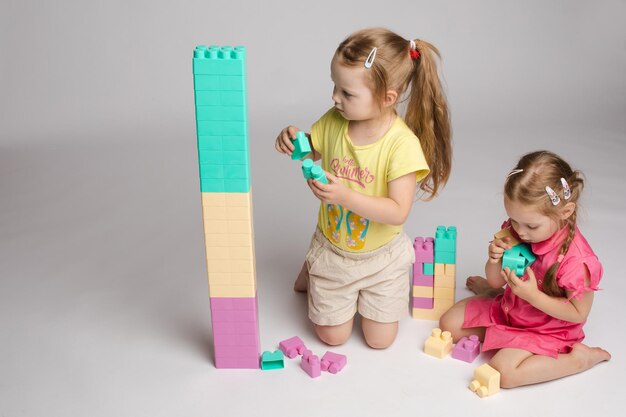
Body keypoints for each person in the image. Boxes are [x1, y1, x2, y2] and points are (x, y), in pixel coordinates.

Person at [275, 28, 452, 348]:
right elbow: (313, 151)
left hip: (381, 259)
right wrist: (294, 142)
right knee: (332, 337)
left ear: (388, 98)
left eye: (347, 93)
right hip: (334, 248)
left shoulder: (401, 146)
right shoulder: (333, 120)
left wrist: (346, 196)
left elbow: (398, 212)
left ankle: (318, 275)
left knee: (380, 341)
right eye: (335, 86)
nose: (334, 97)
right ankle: (315, 267)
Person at [440, 150, 611, 388]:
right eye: (513, 220)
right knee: (448, 323)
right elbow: (496, 282)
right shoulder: (518, 229)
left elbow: (578, 314)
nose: (520, 232)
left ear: (565, 212)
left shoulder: (576, 262)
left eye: (530, 225)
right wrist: (493, 260)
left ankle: (578, 360)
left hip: (547, 329)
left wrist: (532, 295)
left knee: (505, 373)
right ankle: (496, 309)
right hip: (511, 308)